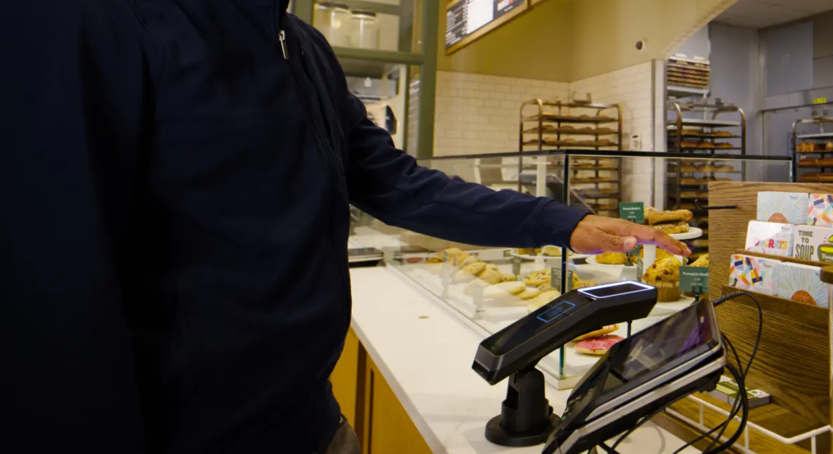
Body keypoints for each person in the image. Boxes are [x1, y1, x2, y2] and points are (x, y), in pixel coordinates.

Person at [0, 2, 687, 453]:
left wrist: (563, 222)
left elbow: (397, 183)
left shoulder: (303, 48)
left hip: (311, 421)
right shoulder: (89, 21)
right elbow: (46, 297)